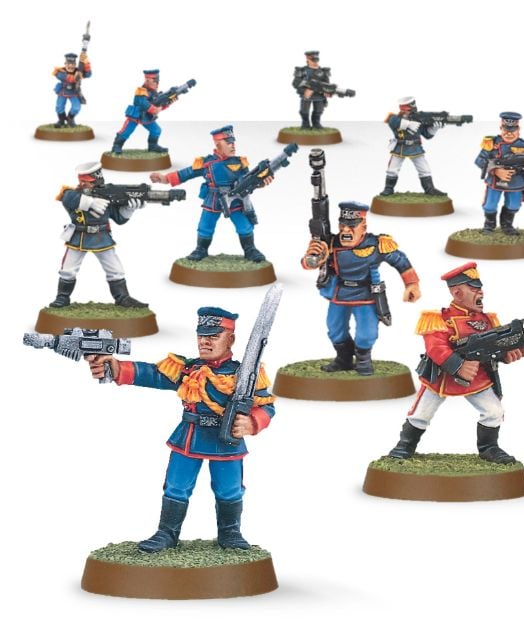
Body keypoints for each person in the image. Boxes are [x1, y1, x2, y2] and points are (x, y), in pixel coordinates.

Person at [86, 307, 276, 552]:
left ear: (230, 339)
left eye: (213, 336)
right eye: (201, 336)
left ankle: (230, 533)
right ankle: (167, 533)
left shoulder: (246, 375)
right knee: (176, 485)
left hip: (228, 439)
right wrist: (116, 368)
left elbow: (266, 406)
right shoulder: (188, 370)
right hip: (190, 436)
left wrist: (252, 422)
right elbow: (153, 375)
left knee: (229, 488)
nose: (205, 342)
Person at [388, 262, 524, 464]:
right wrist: (458, 366)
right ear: (458, 293)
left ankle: (489, 448)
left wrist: (506, 354)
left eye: (480, 288)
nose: (481, 293)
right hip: (441, 378)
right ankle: (405, 445)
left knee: (494, 411)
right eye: (474, 288)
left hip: (476, 378)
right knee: (421, 414)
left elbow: (494, 347)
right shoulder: (437, 318)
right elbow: (435, 348)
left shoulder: (488, 320)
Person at [302, 201, 421, 375]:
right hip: (339, 293)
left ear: (363, 226)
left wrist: (412, 284)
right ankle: (344, 358)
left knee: (367, 332)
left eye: (351, 226)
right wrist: (313, 258)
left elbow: (399, 260)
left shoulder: (377, 244)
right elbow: (307, 263)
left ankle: (363, 360)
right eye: (342, 225)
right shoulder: (330, 243)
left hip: (366, 296)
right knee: (334, 328)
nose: (345, 230)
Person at [151, 125, 271, 262]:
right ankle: (201, 249)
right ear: (218, 144)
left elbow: (249, 182)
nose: (232, 145)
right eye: (228, 142)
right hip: (213, 198)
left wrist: (261, 182)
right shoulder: (206, 163)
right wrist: (165, 179)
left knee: (244, 225)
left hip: (235, 199)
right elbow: (186, 174)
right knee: (205, 225)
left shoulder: (240, 163)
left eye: (233, 142)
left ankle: (250, 249)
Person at [49, 162, 147, 308]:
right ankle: (62, 297)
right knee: (68, 270)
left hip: (102, 237)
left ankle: (122, 297)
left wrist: (129, 209)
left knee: (115, 270)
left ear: (97, 181)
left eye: (87, 181)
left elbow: (119, 219)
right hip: (79, 237)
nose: (83, 183)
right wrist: (90, 203)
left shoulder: (107, 196)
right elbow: (67, 197)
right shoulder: (73, 194)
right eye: (82, 180)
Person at [475, 111, 524, 235]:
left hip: (516, 181)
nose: (509, 133)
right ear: (501, 128)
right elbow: (479, 160)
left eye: (512, 131)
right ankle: (489, 226)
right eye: (506, 130)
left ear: (518, 130)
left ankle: (507, 226)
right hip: (495, 181)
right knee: (490, 205)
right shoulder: (491, 143)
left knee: (514, 205)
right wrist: (495, 170)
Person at [380, 97, 446, 197]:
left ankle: (430, 189)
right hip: (400, 147)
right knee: (392, 170)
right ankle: (388, 189)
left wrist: (434, 128)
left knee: (425, 170)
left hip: (415, 147)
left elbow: (427, 135)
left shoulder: (419, 118)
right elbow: (391, 120)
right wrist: (407, 124)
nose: (407, 111)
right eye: (405, 109)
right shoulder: (395, 118)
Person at [110, 69, 172, 154]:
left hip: (147, 116)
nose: (156, 84)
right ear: (147, 80)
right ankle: (117, 146)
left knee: (156, 130)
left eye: (157, 81)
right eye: (154, 81)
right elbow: (142, 103)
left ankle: (153, 146)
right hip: (135, 116)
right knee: (126, 132)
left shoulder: (155, 93)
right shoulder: (141, 90)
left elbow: (158, 105)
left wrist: (167, 102)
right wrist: (154, 109)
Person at [292, 50, 333, 129]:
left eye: (316, 60)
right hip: (306, 96)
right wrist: (305, 91)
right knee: (304, 111)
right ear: (307, 59)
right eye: (313, 60)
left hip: (319, 95)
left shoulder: (324, 71)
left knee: (319, 111)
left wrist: (327, 91)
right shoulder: (302, 70)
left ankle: (316, 124)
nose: (315, 62)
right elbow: (295, 83)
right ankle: (305, 124)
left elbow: (327, 84)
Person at [53, 51, 91, 128]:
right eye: (68, 64)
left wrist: (86, 63)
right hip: (63, 91)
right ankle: (61, 120)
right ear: (65, 64)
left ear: (75, 64)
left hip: (74, 92)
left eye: (72, 64)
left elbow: (88, 74)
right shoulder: (61, 71)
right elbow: (63, 77)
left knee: (76, 107)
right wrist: (75, 77)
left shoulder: (78, 71)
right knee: (59, 106)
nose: (70, 66)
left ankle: (70, 118)